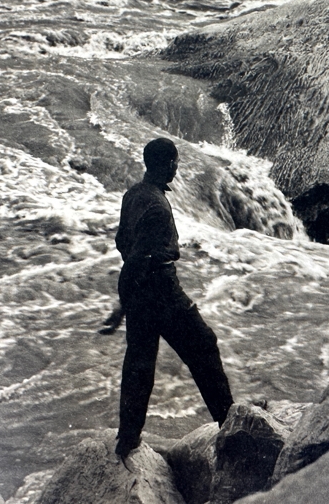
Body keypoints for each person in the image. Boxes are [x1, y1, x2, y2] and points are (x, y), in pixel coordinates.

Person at [112, 137, 233, 458]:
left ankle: (128, 438)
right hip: (162, 289)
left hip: (139, 291)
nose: (176, 167)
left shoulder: (133, 195)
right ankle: (229, 422)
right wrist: (119, 307)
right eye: (175, 162)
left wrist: (126, 300)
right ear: (168, 164)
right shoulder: (157, 206)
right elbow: (140, 256)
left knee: (139, 363)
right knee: (204, 346)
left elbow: (121, 242)